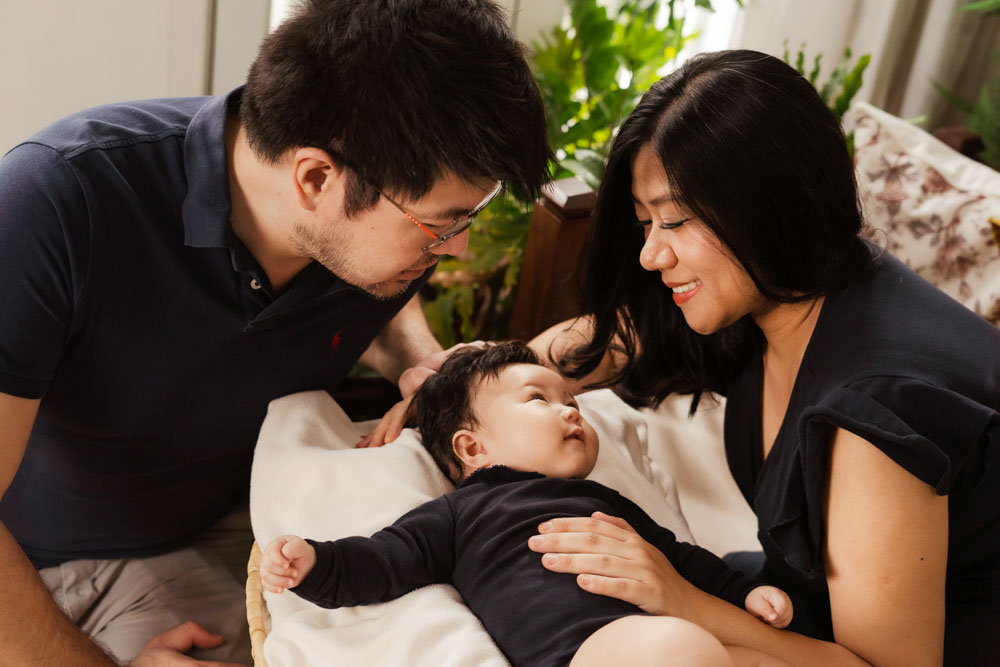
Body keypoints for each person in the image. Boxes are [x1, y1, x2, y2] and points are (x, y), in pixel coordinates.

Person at [0, 1, 550, 665]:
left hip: (247, 514)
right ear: (315, 178)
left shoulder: (355, 231)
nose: (457, 252)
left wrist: (420, 359)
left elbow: (364, 293)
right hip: (48, 566)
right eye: (441, 225)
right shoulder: (59, 202)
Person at [523, 49, 1000, 666]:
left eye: (674, 220)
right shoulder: (786, 289)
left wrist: (680, 598)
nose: (651, 255)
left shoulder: (874, 412)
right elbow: (624, 335)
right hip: (812, 610)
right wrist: (491, 375)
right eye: (646, 224)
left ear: (769, 205)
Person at [261, 342, 793, 667]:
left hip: (665, 638)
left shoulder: (604, 501)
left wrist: (746, 593)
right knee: (681, 650)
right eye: (540, 399)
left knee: (761, 659)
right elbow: (382, 561)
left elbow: (680, 559)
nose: (570, 413)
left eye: (572, 402)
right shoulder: (462, 514)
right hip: (582, 652)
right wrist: (314, 562)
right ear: (471, 447)